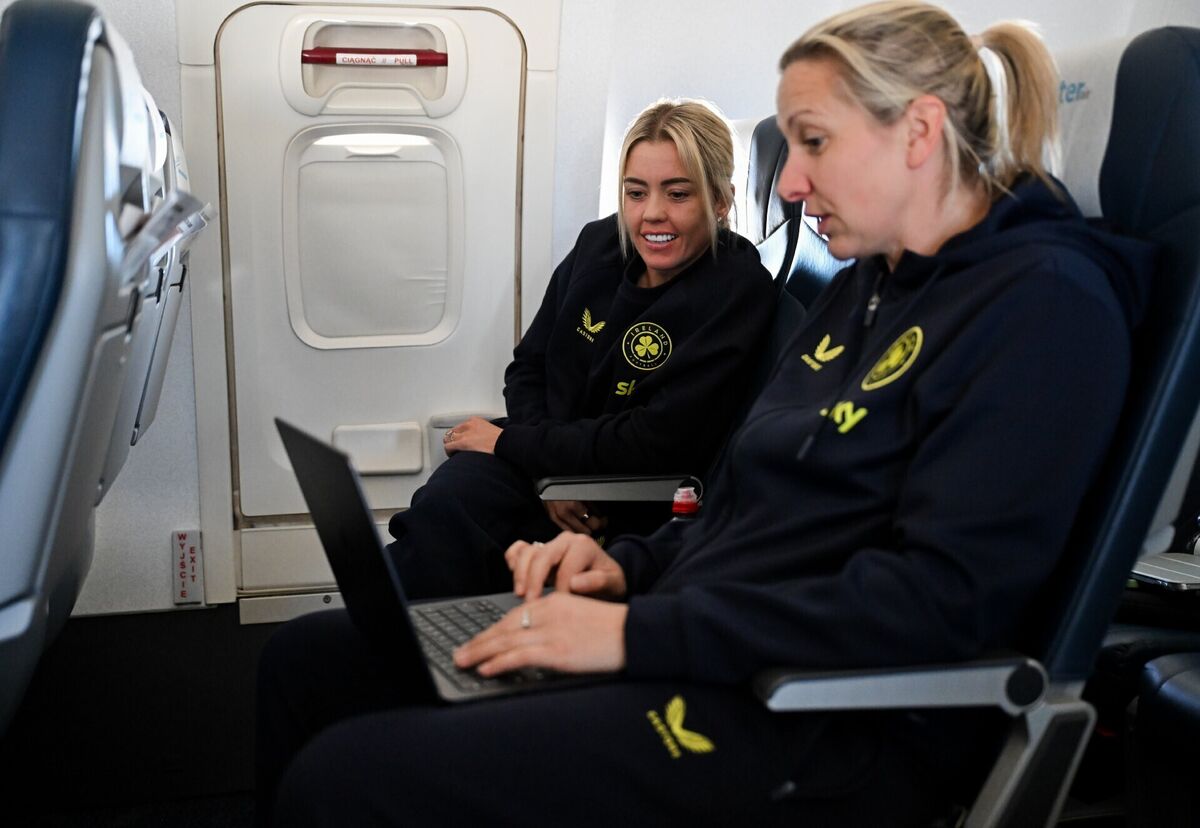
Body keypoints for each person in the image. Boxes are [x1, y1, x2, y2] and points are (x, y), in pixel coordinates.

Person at [256, 2, 1154, 824]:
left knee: (348, 778)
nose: (791, 184)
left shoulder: (1045, 306)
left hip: (819, 718)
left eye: (812, 142)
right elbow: (745, 511)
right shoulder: (870, 291)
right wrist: (622, 569)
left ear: (918, 131)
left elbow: (935, 607)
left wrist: (634, 632)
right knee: (307, 663)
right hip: (711, 641)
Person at [387, 99, 775, 600]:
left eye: (678, 194)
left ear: (721, 201)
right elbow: (528, 369)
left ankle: (397, 647)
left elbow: (655, 441)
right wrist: (549, 478)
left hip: (627, 499)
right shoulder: (599, 247)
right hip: (554, 473)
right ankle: (396, 636)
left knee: (456, 517)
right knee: (448, 499)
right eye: (636, 193)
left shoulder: (737, 292)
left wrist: (516, 450)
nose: (651, 213)